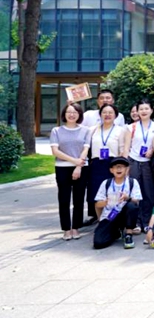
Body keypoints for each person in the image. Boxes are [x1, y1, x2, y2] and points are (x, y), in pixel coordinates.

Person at [51, 103, 91, 240]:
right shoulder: (56, 131)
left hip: (82, 167)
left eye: (75, 112)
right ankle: (66, 229)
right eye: (69, 112)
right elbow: (55, 151)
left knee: (79, 199)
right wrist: (74, 161)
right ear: (64, 114)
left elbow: (85, 149)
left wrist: (78, 166)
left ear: (79, 114)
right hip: (62, 167)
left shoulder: (86, 130)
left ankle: (76, 227)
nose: (72, 114)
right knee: (64, 199)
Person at [88, 104, 131, 224]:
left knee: (114, 194)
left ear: (115, 115)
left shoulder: (121, 130)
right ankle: (101, 222)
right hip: (96, 165)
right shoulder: (92, 130)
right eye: (104, 112)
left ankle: (115, 223)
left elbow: (123, 151)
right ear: (100, 115)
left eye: (110, 112)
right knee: (97, 196)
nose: (107, 115)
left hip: (113, 165)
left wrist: (123, 169)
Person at [93, 157, 142, 249]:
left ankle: (128, 234)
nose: (119, 169)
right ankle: (116, 232)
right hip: (109, 215)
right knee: (98, 243)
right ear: (111, 170)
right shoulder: (106, 183)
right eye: (116, 167)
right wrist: (105, 202)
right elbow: (97, 204)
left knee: (131, 206)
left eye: (121, 167)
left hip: (124, 214)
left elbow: (137, 201)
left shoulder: (132, 182)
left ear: (127, 169)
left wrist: (127, 198)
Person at [128, 99, 154, 232]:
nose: (144, 111)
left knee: (149, 193)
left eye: (146, 108)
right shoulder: (131, 127)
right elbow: (127, 146)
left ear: (151, 110)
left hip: (149, 163)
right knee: (135, 193)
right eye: (141, 109)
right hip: (133, 161)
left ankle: (147, 221)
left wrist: (152, 150)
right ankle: (136, 222)